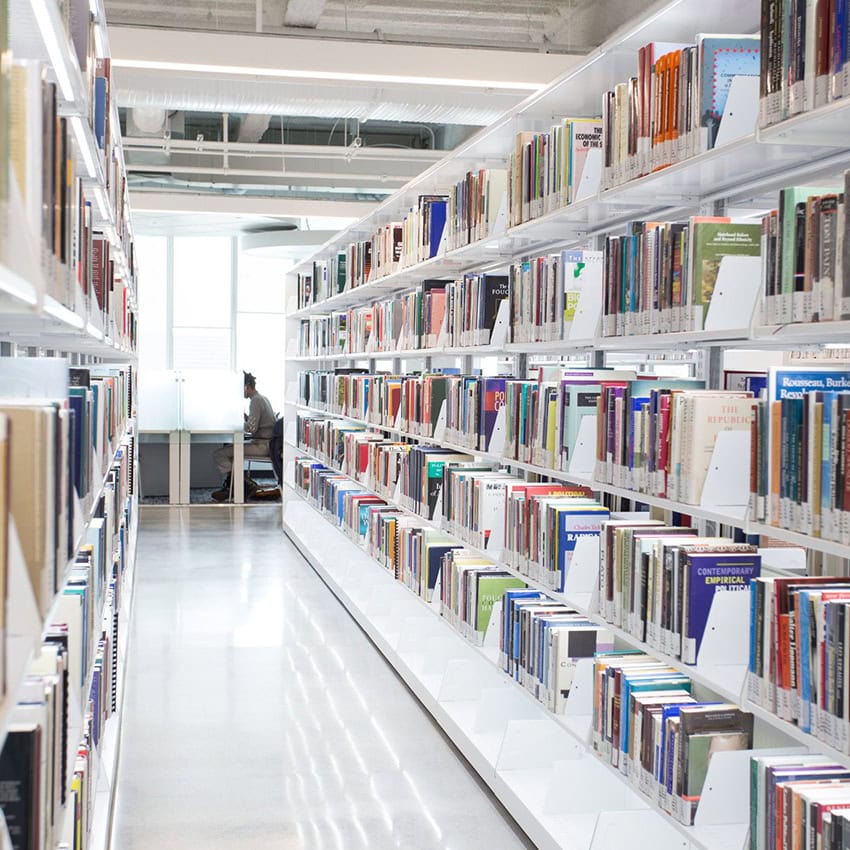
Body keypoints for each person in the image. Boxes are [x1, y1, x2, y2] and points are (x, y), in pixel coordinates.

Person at [211, 371, 276, 502]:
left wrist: (238, 421)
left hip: (262, 445)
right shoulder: (262, 398)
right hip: (267, 443)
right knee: (228, 450)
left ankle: (238, 484)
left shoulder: (255, 401)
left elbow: (252, 429)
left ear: (246, 387)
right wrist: (246, 419)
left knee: (219, 454)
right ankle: (240, 484)